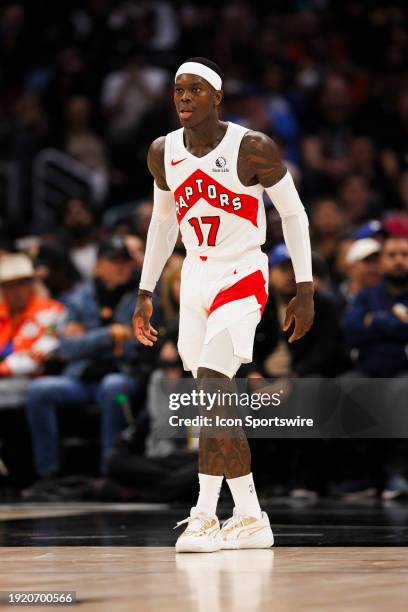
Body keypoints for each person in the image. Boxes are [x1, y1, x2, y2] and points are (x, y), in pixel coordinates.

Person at [133, 58, 314, 553]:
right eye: (177, 90)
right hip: (194, 276)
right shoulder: (162, 151)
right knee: (213, 403)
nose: (184, 98)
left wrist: (304, 286)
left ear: (216, 97)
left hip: (242, 269)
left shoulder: (252, 147)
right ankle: (252, 515)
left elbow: (293, 214)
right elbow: (162, 225)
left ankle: (204, 516)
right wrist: (146, 290)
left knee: (215, 390)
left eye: (195, 90)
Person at [26, 236, 140, 479]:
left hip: (121, 376)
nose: (120, 267)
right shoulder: (80, 298)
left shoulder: (143, 299)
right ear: (98, 265)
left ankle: (109, 471)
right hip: (81, 378)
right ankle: (47, 474)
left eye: (124, 262)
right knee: (38, 390)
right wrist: (110, 335)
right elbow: (64, 348)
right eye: (113, 261)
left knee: (113, 387)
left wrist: (87, 338)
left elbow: (135, 348)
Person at [0, 253, 66, 407]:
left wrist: (3, 368)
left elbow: (40, 356)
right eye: (10, 285)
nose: (16, 290)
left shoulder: (53, 312)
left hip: (32, 381)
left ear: (32, 284)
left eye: (22, 283)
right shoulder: (2, 313)